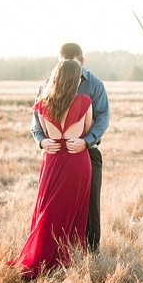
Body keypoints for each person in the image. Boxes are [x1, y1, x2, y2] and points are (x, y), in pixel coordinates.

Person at [10, 60, 93, 279]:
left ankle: (42, 254)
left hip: (53, 160)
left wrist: (45, 142)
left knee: (48, 209)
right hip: (76, 160)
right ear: (75, 80)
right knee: (73, 211)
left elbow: (43, 133)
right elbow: (86, 130)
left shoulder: (42, 103)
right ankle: (65, 257)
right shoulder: (84, 101)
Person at [32, 43, 110, 253]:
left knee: (89, 205)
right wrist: (41, 141)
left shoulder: (94, 85)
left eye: (72, 64)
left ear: (82, 62)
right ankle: (55, 250)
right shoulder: (47, 86)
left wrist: (86, 141)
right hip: (55, 154)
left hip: (86, 151)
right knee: (52, 205)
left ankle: (90, 252)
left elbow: (102, 117)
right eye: (63, 64)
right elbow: (36, 123)